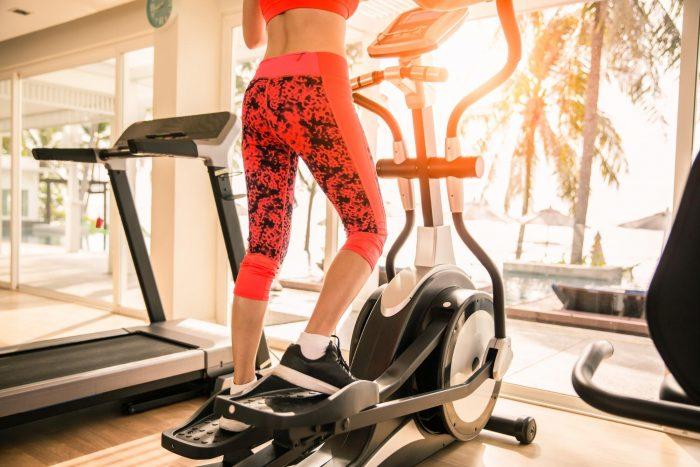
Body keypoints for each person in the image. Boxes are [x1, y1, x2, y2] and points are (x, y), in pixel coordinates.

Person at [220, 0, 386, 430]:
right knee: (368, 229)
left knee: (262, 249)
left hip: (261, 94)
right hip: (314, 83)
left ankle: (241, 386)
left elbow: (254, 38)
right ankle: (313, 348)